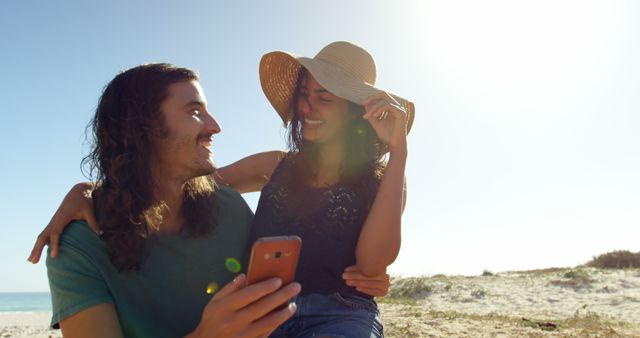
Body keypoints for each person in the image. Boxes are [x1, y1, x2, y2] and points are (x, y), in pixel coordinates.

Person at [30, 41, 409, 337]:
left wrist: (398, 154)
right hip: (275, 317)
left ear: (357, 113)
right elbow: (160, 183)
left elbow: (372, 264)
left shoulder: (383, 180)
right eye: (305, 93)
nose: (308, 106)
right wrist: (87, 190)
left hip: (336, 315)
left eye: (325, 97)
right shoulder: (275, 166)